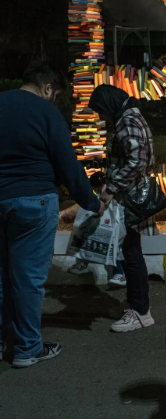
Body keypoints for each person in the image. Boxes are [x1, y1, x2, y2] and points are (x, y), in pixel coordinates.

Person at [0, 62, 103, 368]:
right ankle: (28, 348)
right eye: (55, 94)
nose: (54, 100)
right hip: (34, 201)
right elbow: (68, 165)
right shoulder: (46, 113)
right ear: (47, 88)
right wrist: (91, 201)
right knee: (28, 279)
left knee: (1, 276)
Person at [88, 85, 162, 333]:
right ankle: (135, 305)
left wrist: (111, 187)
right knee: (130, 252)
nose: (101, 117)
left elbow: (137, 160)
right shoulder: (128, 117)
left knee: (131, 254)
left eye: (100, 111)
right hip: (128, 197)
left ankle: (141, 312)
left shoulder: (127, 121)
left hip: (129, 199)